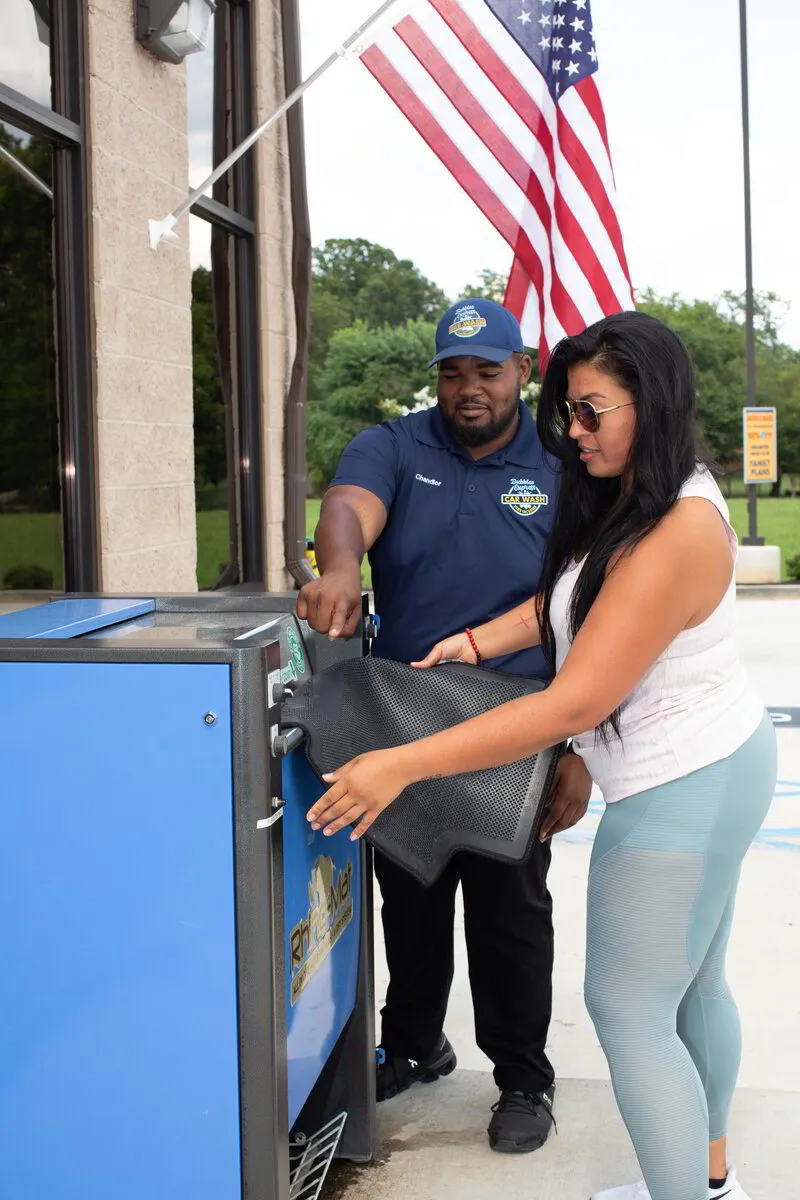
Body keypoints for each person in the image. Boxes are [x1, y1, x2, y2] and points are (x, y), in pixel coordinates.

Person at [306, 311, 777, 1200]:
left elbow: (576, 701)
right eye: (568, 411)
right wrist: (480, 642)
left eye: (593, 411)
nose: (574, 431)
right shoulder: (642, 495)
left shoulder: (675, 529)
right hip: (717, 760)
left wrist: (403, 762)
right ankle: (710, 1180)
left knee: (630, 1011)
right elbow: (572, 593)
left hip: (683, 783)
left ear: (655, 401)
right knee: (689, 993)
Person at [297, 297, 594, 1154]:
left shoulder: (562, 463)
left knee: (509, 911)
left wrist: (573, 750)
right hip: (404, 713)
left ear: (522, 372)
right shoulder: (396, 445)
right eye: (452, 371)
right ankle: (417, 1044)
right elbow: (348, 509)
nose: (468, 388)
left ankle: (523, 1080)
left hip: (518, 718)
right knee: (410, 902)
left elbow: (584, 613)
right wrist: (343, 567)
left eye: (487, 371)